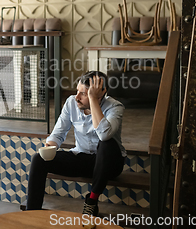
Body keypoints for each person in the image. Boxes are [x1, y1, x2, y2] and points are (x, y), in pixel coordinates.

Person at [26, 70, 126, 216]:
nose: (77, 97)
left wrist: (92, 100)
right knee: (39, 159)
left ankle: (91, 201)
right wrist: (50, 147)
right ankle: (31, 213)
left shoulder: (115, 107)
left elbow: (104, 135)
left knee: (106, 143)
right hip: (83, 158)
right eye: (77, 91)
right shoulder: (71, 102)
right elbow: (58, 133)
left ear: (99, 96)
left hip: (110, 164)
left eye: (83, 94)